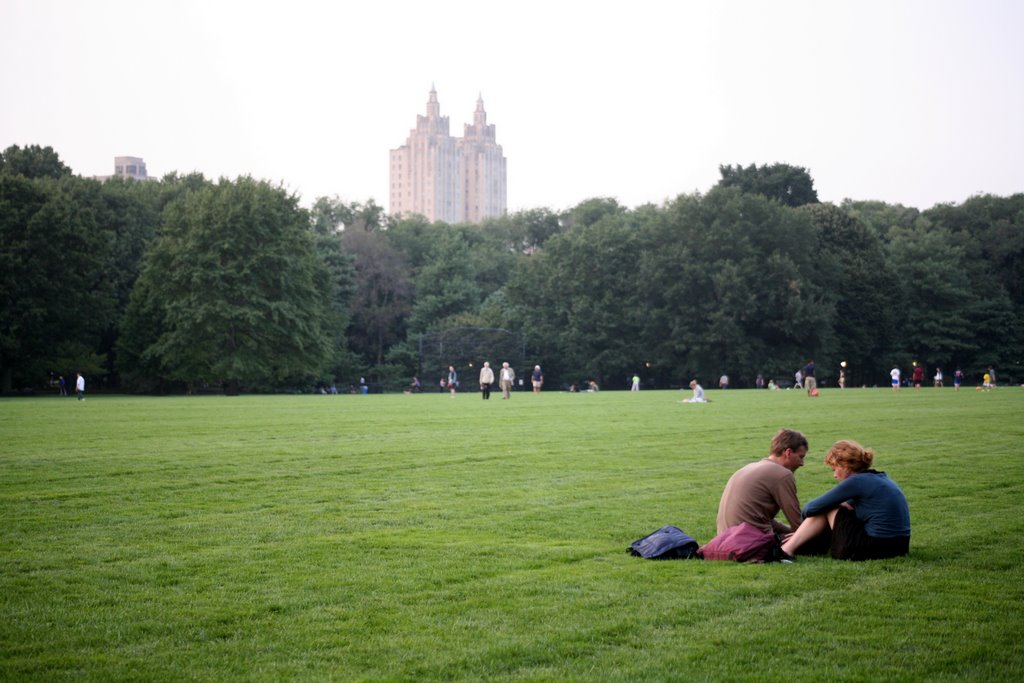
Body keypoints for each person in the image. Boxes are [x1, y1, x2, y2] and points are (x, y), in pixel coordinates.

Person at [780, 439, 910, 562]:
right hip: (899, 547)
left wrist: (800, 529)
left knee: (829, 507)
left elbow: (811, 508)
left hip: (873, 548)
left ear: (845, 465)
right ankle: (800, 545)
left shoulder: (856, 482)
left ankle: (786, 550)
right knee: (838, 507)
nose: (835, 475)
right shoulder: (878, 478)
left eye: (834, 469)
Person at [716, 428, 809, 535]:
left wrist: (789, 531)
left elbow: (760, 519)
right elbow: (797, 522)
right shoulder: (782, 474)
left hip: (725, 540)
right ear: (788, 452)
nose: (802, 463)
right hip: (751, 543)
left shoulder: (748, 468)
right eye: (801, 457)